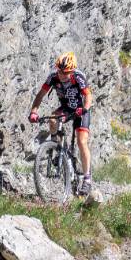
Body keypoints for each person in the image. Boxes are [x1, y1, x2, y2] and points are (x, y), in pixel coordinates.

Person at [29, 52, 94, 194]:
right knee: (52, 119)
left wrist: (84, 109)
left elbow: (88, 95)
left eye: (66, 72)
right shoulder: (53, 77)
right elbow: (40, 94)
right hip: (66, 108)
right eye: (60, 71)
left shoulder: (78, 76)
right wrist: (34, 111)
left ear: (72, 70)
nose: (63, 75)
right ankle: (56, 147)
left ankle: (87, 179)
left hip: (80, 109)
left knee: (81, 141)